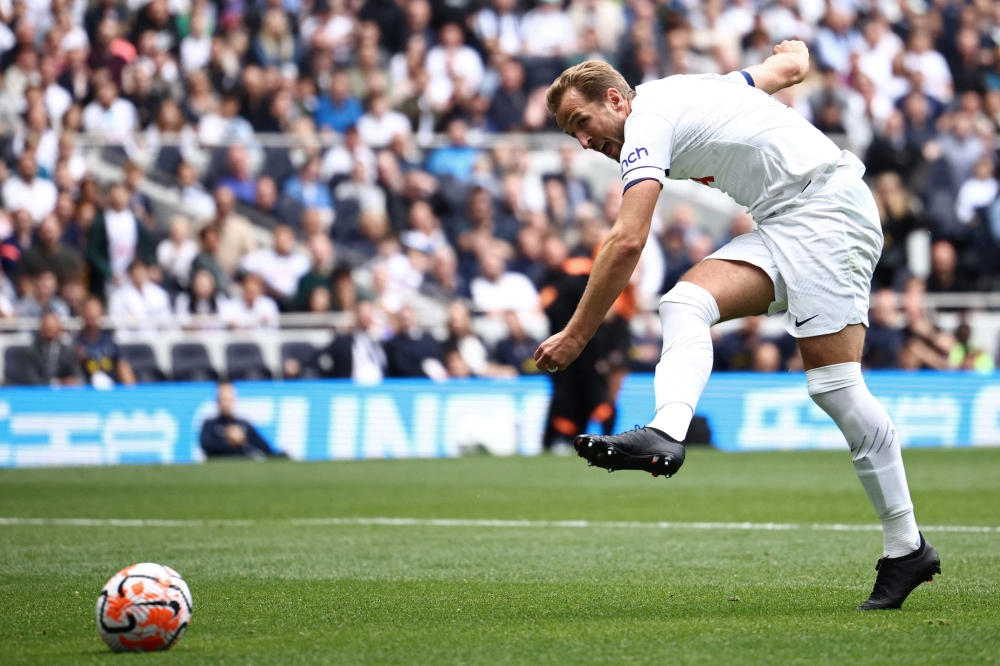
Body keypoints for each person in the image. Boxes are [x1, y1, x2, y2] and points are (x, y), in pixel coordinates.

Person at [534, 43, 939, 611]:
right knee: (684, 303)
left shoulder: (646, 123)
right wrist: (795, 53)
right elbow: (783, 71)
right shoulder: (700, 89)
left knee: (837, 387)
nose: (583, 142)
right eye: (570, 134)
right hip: (788, 221)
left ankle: (907, 548)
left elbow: (627, 239)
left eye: (582, 123)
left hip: (828, 214)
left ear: (615, 100)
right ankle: (668, 433)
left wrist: (577, 334)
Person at [200, 382, 284, 459]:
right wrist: (230, 443)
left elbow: (264, 447)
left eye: (229, 400)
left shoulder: (244, 424)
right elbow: (206, 445)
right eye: (223, 400)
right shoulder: (209, 424)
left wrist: (242, 441)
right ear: (217, 401)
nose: (226, 404)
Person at [75, 296, 136, 387]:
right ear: (82, 313)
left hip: (111, 389)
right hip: (86, 390)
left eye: (95, 309)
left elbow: (122, 365)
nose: (92, 314)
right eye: (88, 309)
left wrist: (131, 391)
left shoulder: (109, 341)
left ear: (101, 313)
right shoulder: (76, 343)